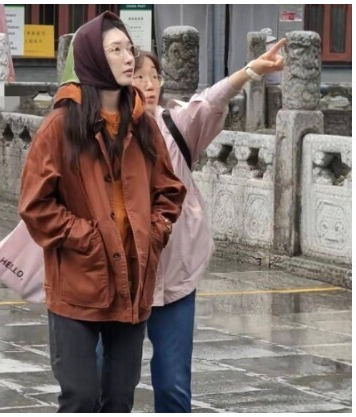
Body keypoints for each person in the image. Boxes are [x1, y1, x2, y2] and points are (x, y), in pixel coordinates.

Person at [18, 12, 187, 413]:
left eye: (129, 48)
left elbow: (169, 190)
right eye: (115, 50)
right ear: (93, 57)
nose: (128, 57)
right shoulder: (60, 127)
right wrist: (89, 238)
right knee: (79, 397)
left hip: (133, 282)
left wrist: (155, 231)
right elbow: (35, 205)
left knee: (119, 398)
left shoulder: (143, 124)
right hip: (78, 284)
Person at [122, 37, 286, 413]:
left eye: (154, 76)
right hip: (122, 276)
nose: (149, 84)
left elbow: (210, 100)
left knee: (173, 384)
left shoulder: (175, 123)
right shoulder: (106, 130)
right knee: (109, 382)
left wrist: (250, 71)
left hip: (176, 272)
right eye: (138, 76)